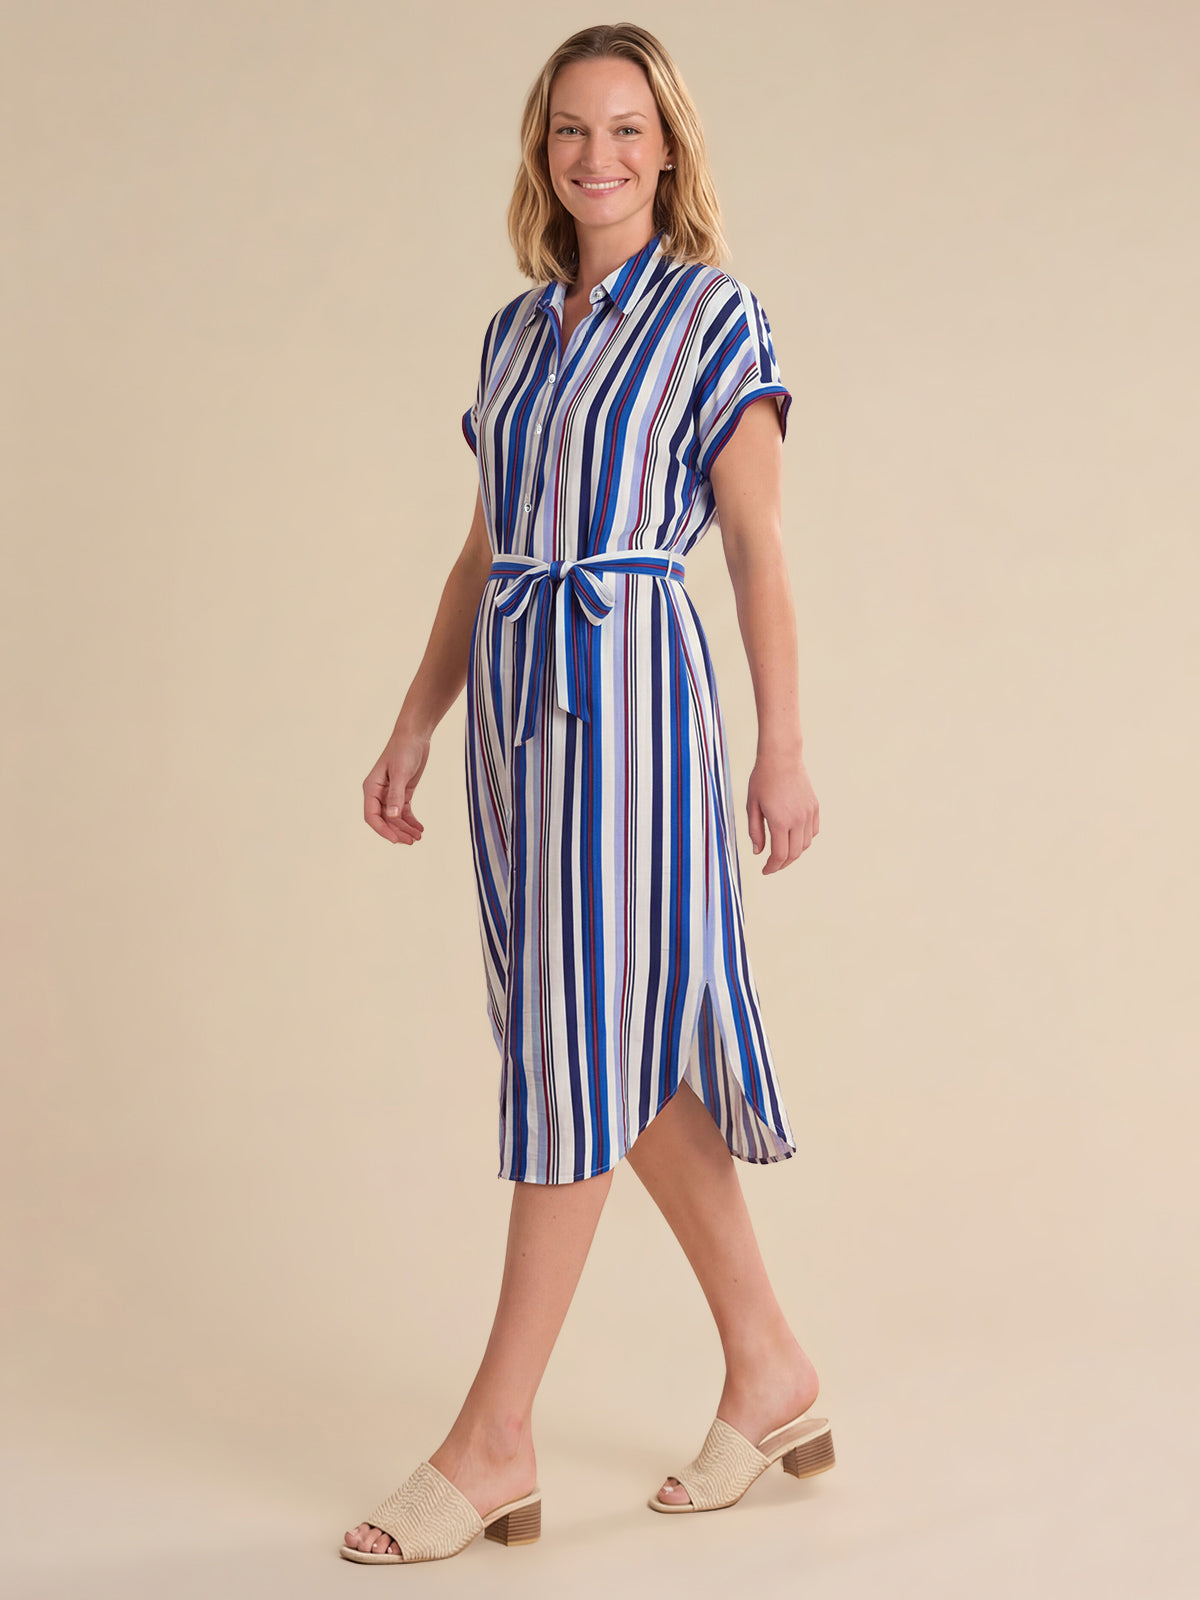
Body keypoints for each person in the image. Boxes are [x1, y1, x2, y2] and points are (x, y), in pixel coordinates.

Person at [342, 22, 833, 1566]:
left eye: (626, 130)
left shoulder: (713, 314)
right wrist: (416, 721)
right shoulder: (512, 336)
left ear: (668, 149)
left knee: (576, 1044)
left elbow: (755, 542)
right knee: (608, 1041)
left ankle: (494, 1437)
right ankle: (772, 1368)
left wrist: (782, 744)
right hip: (514, 719)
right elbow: (486, 549)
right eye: (571, 129)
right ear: (541, 149)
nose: (597, 156)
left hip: (630, 706)